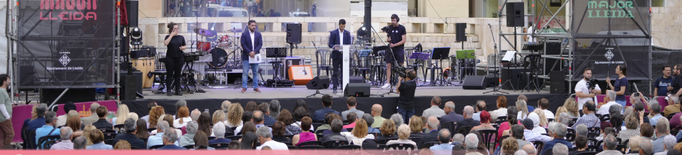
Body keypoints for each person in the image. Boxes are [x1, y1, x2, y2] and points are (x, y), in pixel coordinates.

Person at [381, 14, 407, 89]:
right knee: (389, 64)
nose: (393, 22)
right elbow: (388, 39)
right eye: (392, 20)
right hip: (391, 49)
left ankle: (401, 81)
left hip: (399, 49)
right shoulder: (389, 28)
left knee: (400, 65)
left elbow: (403, 40)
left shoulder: (402, 28)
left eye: (394, 20)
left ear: (397, 20)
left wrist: (395, 45)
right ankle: (388, 82)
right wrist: (388, 40)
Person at [163, 22, 187, 96]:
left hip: (179, 57)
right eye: (175, 28)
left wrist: (183, 48)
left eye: (177, 28)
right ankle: (169, 90)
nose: (177, 29)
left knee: (178, 74)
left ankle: (177, 90)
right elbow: (166, 43)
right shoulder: (168, 36)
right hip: (170, 57)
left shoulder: (181, 37)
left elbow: (185, 46)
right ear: (171, 29)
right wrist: (171, 35)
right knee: (169, 74)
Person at [328, 19, 352, 93]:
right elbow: (330, 44)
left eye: (344, 26)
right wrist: (335, 47)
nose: (342, 28)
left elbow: (349, 43)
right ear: (339, 25)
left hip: (344, 55)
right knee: (335, 72)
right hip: (336, 54)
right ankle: (335, 87)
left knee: (343, 72)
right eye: (341, 26)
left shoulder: (347, 33)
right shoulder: (333, 33)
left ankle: (343, 87)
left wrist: (347, 47)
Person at [240, 20, 263, 93]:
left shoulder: (258, 34)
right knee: (245, 72)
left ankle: (255, 87)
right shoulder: (244, 34)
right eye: (252, 25)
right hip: (246, 56)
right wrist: (249, 52)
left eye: (254, 25)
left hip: (255, 56)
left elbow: (260, 44)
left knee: (255, 72)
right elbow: (243, 44)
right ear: (249, 26)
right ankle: (244, 87)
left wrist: (254, 52)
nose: (254, 27)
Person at [0, 74, 12, 149]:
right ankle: (5, 148)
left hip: (2, 117)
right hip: (4, 118)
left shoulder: (2, 91)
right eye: (8, 80)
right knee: (10, 134)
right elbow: (1, 105)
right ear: (4, 81)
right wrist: (7, 116)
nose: (9, 81)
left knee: (1, 135)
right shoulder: (1, 91)